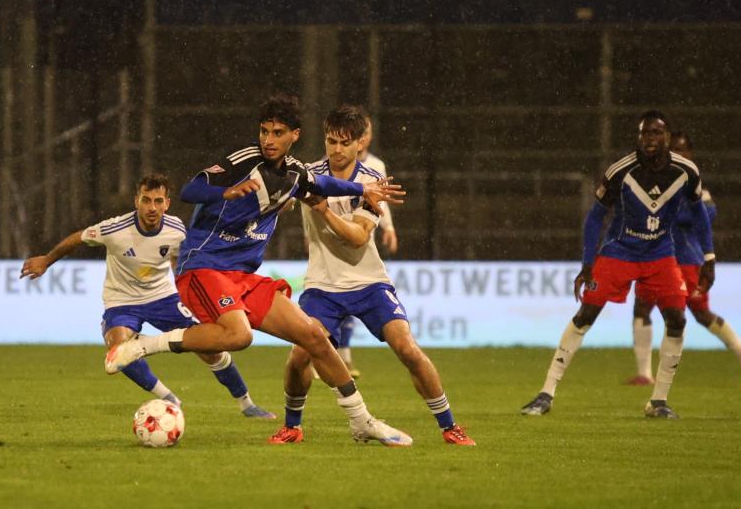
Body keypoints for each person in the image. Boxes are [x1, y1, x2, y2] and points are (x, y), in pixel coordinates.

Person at [106, 94, 414, 446]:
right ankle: (143, 345)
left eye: (278, 132)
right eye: (265, 131)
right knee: (239, 336)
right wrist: (227, 192)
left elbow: (324, 185)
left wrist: (362, 187)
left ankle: (362, 421)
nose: (268, 139)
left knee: (315, 336)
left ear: (294, 135)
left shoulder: (298, 174)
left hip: (244, 276)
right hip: (205, 265)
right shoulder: (245, 160)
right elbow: (192, 190)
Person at [268, 105, 475, 446]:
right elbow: (281, 194)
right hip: (322, 286)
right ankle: (292, 426)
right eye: (330, 140)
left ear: (360, 144)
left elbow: (358, 236)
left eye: (344, 142)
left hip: (369, 283)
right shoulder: (308, 174)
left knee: (407, 348)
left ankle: (449, 426)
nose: (336, 149)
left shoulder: (371, 183)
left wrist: (321, 209)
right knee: (298, 357)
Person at [20, 173, 275, 418]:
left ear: (167, 204)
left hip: (163, 298)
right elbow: (79, 238)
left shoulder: (177, 230)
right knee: (118, 349)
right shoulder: (115, 229)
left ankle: (246, 404)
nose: (152, 207)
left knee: (209, 346)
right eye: (146, 200)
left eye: (158, 201)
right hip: (122, 302)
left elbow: (182, 260)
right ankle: (169, 399)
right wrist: (46, 260)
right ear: (136, 201)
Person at [521, 110, 716, 419]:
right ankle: (546, 394)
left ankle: (658, 401)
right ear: (638, 138)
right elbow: (595, 215)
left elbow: (700, 213)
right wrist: (588, 262)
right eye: (645, 134)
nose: (650, 139)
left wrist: (709, 257)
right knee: (586, 315)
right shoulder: (620, 170)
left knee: (677, 320)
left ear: (666, 137)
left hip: (660, 254)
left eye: (656, 133)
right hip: (620, 252)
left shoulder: (686, 171)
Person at [626, 132, 741, 388]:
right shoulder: (661, 184)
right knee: (641, 308)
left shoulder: (694, 186)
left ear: (690, 154)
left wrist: (675, 214)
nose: (678, 155)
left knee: (700, 314)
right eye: (673, 150)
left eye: (682, 150)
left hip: (687, 261)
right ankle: (644, 374)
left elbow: (708, 214)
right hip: (657, 260)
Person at [334, 108, 398, 379]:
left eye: (368, 132)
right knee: (330, 305)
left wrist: (388, 226)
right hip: (333, 241)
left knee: (351, 304)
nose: (366, 137)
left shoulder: (376, 167)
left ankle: (339, 358)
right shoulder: (324, 167)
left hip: (361, 237)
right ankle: (333, 358)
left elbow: (380, 199)